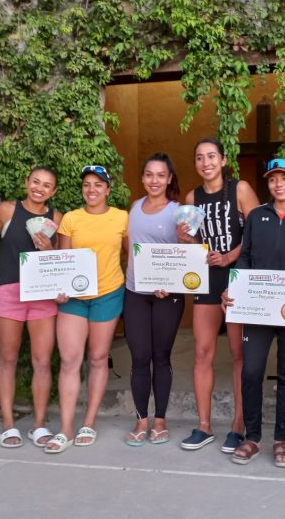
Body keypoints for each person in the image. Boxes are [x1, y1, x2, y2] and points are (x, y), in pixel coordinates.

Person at [221, 158, 285, 467]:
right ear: (268, 183)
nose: (279, 184)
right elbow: (244, 257)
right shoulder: (257, 216)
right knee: (251, 371)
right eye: (273, 179)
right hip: (258, 308)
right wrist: (235, 288)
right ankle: (253, 436)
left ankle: (281, 439)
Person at [177, 137, 259, 452]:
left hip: (237, 275)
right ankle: (204, 425)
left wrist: (229, 256)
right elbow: (195, 245)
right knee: (202, 352)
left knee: (239, 355)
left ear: (223, 161)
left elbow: (257, 231)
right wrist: (185, 239)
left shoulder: (240, 189)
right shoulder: (192, 197)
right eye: (199, 157)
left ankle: (238, 426)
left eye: (212, 156)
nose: (206, 162)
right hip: (208, 278)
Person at [45, 165, 128, 453]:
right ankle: (65, 428)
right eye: (87, 185)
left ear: (108, 189)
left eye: (98, 185)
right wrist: (59, 285)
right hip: (75, 298)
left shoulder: (122, 218)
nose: (91, 190)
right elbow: (64, 258)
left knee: (97, 357)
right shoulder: (71, 218)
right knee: (69, 360)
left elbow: (130, 254)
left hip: (108, 294)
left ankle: (88, 422)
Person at [0, 167, 63, 448]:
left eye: (47, 185)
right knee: (7, 359)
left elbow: (62, 262)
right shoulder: (6, 210)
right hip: (8, 291)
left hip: (43, 296)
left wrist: (50, 251)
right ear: (26, 182)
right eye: (36, 182)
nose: (39, 188)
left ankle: (39, 425)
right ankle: (8, 425)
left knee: (42, 362)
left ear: (53, 192)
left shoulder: (56, 218)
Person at [124, 153, 185, 446]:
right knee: (139, 357)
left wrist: (171, 284)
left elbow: (190, 255)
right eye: (149, 174)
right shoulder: (134, 207)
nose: (154, 180)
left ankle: (160, 420)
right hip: (135, 292)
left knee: (160, 357)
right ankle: (141, 419)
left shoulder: (178, 211)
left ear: (169, 178)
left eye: (161, 175)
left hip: (167, 296)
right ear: (143, 178)